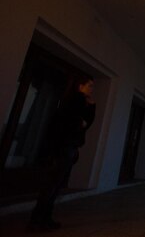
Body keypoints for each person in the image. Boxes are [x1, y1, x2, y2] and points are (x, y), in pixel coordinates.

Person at [30, 75, 96, 231]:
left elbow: (84, 123)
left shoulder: (73, 101)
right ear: (80, 86)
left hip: (65, 147)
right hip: (65, 147)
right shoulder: (77, 101)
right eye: (89, 85)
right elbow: (84, 124)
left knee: (53, 184)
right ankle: (38, 220)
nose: (91, 89)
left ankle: (42, 218)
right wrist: (90, 110)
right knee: (53, 184)